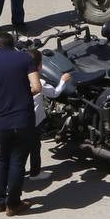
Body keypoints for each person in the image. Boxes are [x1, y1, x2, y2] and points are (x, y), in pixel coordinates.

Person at [0, 32, 41, 216]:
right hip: (24, 120)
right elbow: (37, 87)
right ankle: (13, 204)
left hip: (2, 122)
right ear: (13, 44)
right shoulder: (25, 59)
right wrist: (21, 97)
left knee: (2, 160)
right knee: (18, 162)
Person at [28, 49, 70, 180]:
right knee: (34, 147)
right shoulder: (39, 83)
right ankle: (35, 173)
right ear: (40, 66)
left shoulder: (15, 79)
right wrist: (63, 81)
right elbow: (55, 93)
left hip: (17, 121)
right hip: (34, 121)